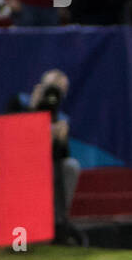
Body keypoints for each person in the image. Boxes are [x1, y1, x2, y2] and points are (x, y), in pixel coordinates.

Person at [7, 70, 83, 246]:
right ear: (40, 87)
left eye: (61, 91)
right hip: (19, 164)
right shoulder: (19, 102)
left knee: (70, 166)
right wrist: (32, 111)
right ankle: (21, 234)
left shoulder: (60, 118)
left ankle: (58, 222)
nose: (55, 95)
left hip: (47, 166)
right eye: (53, 88)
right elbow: (10, 135)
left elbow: (62, 156)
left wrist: (60, 140)